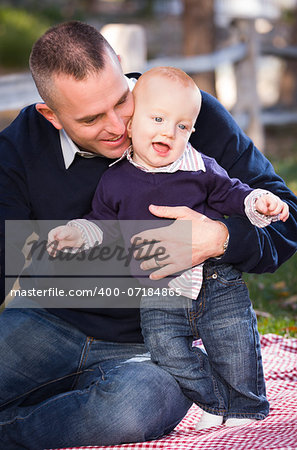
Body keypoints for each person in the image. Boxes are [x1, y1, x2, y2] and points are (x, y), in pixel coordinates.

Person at [0, 21, 296, 450]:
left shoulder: (187, 117)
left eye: (121, 100)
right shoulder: (18, 148)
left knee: (132, 408)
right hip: (48, 320)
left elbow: (288, 220)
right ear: (53, 116)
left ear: (121, 65)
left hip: (154, 342)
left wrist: (221, 238)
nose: (118, 125)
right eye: (91, 118)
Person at [47, 66, 288, 430]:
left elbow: (234, 193)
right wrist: (79, 232)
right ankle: (218, 399)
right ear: (131, 123)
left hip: (214, 278)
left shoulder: (202, 168)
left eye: (181, 126)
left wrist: (258, 202)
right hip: (158, 287)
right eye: (157, 118)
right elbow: (103, 222)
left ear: (191, 131)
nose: (168, 131)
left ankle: (246, 412)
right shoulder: (115, 180)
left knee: (235, 345)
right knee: (167, 351)